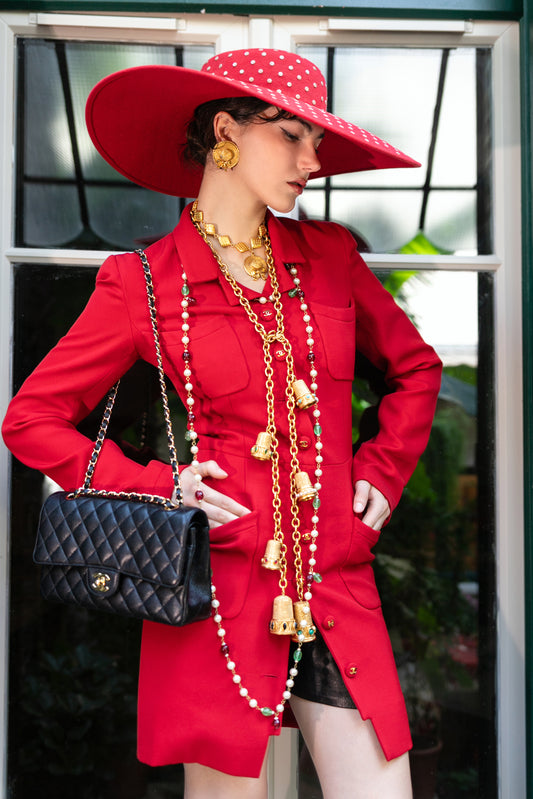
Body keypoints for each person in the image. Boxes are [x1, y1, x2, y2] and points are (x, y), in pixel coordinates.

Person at [2, 48, 442, 798]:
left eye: (316, 140)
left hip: (336, 581)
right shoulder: (143, 282)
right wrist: (161, 485)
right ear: (225, 131)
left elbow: (416, 369)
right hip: (216, 586)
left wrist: (382, 469)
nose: (312, 161)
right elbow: (31, 420)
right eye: (292, 135)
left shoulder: (330, 257)